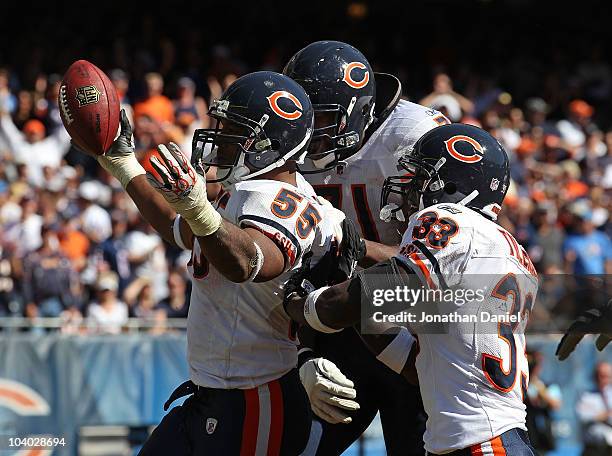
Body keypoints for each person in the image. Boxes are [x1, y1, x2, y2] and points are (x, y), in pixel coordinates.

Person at [88, 71, 346, 455]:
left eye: (231, 130)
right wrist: (123, 162)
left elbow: (251, 261)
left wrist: (197, 209)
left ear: (268, 143)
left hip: (256, 399)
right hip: (212, 393)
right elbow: (177, 227)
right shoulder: (242, 191)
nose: (218, 138)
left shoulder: (283, 199)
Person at [284, 124, 540, 455]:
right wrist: (361, 274)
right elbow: (416, 365)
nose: (409, 188)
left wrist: (300, 303)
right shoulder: (509, 255)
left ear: (452, 184)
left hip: (481, 443)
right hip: (494, 436)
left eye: (422, 177)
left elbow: (368, 297)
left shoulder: (452, 221)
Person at [283, 40, 448, 455]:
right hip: (341, 320)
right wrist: (304, 352)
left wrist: (357, 248)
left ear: (358, 113)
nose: (310, 133)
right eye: (303, 118)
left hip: (417, 327)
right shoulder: (294, 147)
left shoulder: (415, 136)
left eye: (322, 119)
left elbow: (450, 261)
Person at [575, 362, 612, 455]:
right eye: (601, 376)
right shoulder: (586, 396)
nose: (604, 379)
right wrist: (604, 415)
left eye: (607, 376)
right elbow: (583, 417)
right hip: (592, 448)